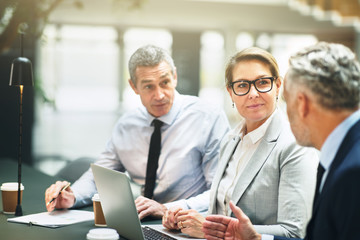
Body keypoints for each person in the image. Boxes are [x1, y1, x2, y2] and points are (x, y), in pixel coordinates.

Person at [44, 45, 230, 220]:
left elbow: (220, 191)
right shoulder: (127, 125)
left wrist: (168, 208)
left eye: (165, 82)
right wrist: (72, 196)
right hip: (142, 222)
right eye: (149, 86)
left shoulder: (208, 117)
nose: (159, 95)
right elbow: (98, 177)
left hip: (188, 224)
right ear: (134, 86)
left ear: (175, 77)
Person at [202, 42, 360, 240]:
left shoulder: (350, 169)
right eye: (242, 85)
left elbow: (298, 231)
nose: (253, 94)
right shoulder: (340, 154)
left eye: (287, 99)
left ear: (301, 103)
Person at [162, 47, 318, 238]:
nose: (253, 93)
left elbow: (294, 232)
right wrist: (184, 217)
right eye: (242, 85)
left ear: (278, 85)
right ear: (231, 92)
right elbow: (223, 210)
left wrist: (209, 229)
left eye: (262, 82)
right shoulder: (231, 139)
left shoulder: (295, 145)